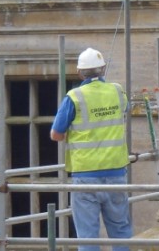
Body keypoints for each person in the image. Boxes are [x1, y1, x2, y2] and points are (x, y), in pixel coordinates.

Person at [50, 47, 132, 251]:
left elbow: (56, 135)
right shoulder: (116, 90)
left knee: (88, 235)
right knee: (121, 230)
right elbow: (125, 108)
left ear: (79, 72)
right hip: (116, 172)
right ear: (103, 69)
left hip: (85, 175)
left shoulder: (74, 97)